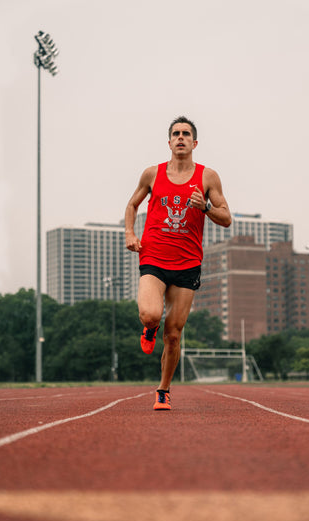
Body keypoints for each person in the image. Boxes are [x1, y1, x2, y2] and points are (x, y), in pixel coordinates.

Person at [125, 116, 231, 410]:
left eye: (186, 134)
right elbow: (132, 205)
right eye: (176, 134)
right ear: (169, 142)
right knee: (150, 314)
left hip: (187, 263)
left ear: (194, 143)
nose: (181, 138)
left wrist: (205, 207)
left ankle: (163, 390)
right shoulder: (152, 174)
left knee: (173, 333)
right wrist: (130, 233)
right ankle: (149, 328)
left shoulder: (208, 177)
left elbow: (226, 218)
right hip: (154, 257)